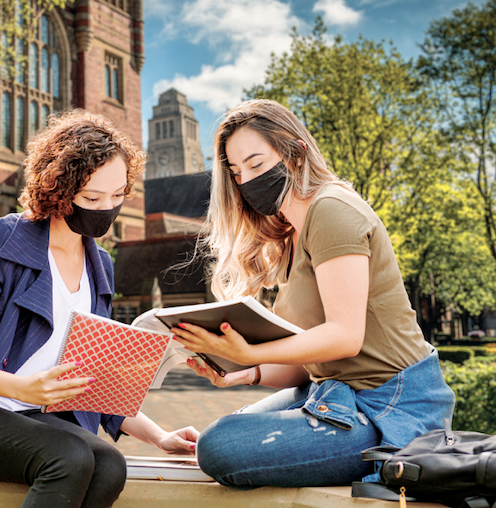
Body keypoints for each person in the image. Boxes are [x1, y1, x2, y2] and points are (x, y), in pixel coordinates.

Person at [0, 109, 198, 508]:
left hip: (30, 417)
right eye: (91, 197)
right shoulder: (3, 237)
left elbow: (95, 381)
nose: (106, 209)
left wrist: (159, 435)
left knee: (110, 464)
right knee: (69, 458)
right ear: (58, 188)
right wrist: (21, 387)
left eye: (117, 196)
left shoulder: (101, 265)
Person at [172, 99, 455, 488]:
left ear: (296, 152)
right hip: (333, 392)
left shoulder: (332, 211)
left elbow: (345, 337)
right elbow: (310, 358)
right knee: (227, 430)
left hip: (391, 405)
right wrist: (242, 371)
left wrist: (252, 352)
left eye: (256, 164)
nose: (247, 180)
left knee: (220, 446)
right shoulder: (289, 232)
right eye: (236, 172)